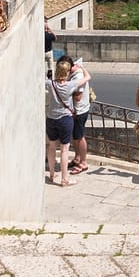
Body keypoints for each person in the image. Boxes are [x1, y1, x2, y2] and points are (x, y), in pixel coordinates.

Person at [45, 58, 83, 186]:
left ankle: (51, 174)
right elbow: (87, 77)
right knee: (64, 149)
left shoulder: (50, 84)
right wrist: (81, 68)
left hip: (51, 119)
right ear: (67, 72)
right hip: (65, 119)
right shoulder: (70, 85)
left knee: (51, 146)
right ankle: (64, 179)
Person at [67, 59, 93, 175]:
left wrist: (66, 90)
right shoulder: (76, 73)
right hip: (77, 110)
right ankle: (77, 158)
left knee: (80, 137)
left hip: (79, 111)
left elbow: (78, 97)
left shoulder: (77, 77)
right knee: (75, 136)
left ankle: (83, 162)